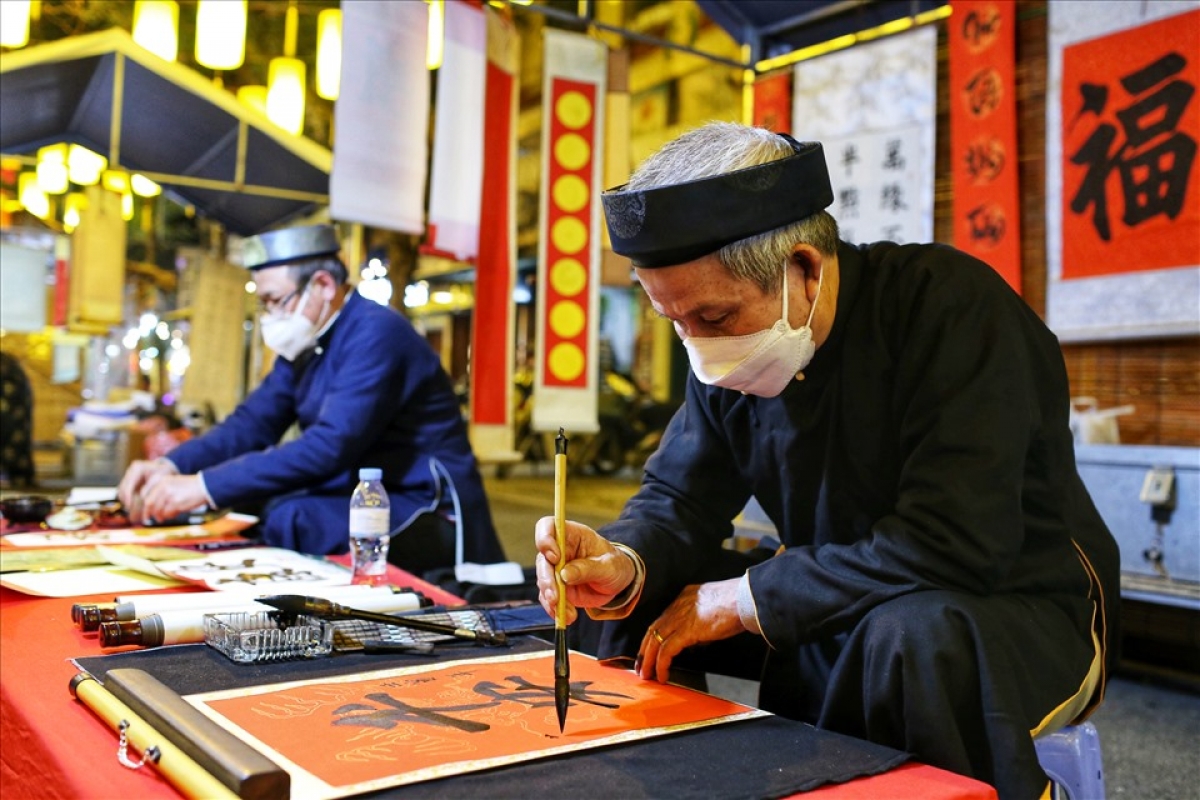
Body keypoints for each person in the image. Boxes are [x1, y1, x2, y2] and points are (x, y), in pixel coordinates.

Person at [534, 123, 1118, 800]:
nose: (697, 347)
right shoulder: (722, 348)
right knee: (633, 601)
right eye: (674, 321)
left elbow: (955, 541)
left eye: (715, 318)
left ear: (805, 268)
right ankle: (650, 781)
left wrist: (746, 598)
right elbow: (679, 499)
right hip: (830, 592)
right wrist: (622, 562)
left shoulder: (953, 310)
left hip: (1004, 600)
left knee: (912, 633)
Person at [118, 224, 505, 572]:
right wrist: (172, 465)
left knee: (291, 516)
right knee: (254, 506)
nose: (269, 315)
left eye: (275, 300)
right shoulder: (310, 342)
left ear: (322, 285)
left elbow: (327, 447)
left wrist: (202, 486)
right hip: (358, 492)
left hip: (422, 503)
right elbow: (252, 424)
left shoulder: (376, 333)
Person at [0, 351, 35, 488]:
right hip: (14, 421)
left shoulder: (7, 367)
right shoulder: (9, 363)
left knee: (14, 452)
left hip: (11, 421)